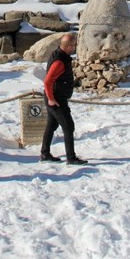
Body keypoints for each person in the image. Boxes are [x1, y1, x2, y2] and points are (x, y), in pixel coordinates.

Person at [39, 33, 87, 165]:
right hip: (56, 98)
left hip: (56, 96)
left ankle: (45, 153)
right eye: (73, 45)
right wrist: (51, 98)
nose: (74, 48)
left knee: (52, 124)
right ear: (68, 47)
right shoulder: (59, 60)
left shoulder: (60, 54)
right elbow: (48, 81)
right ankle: (71, 158)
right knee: (68, 126)